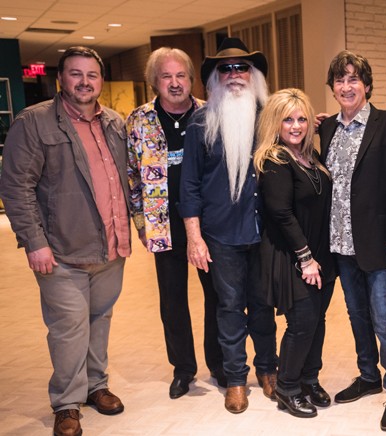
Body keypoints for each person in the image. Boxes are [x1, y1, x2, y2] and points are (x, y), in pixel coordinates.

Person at [0, 46, 129, 436]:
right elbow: (15, 185)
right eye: (76, 74)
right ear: (61, 78)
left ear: (101, 81)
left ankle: (96, 385)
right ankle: (67, 402)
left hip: (110, 245)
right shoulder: (34, 122)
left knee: (99, 321)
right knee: (69, 327)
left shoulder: (114, 123)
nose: (84, 82)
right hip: (60, 250)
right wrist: (33, 241)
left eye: (92, 74)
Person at [178, 37, 277, 414]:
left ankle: (269, 370)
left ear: (254, 74)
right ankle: (236, 379)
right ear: (215, 77)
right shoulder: (201, 122)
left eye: (242, 67)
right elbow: (188, 185)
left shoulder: (270, 116)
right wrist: (194, 237)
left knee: (264, 306)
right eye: (227, 68)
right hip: (221, 234)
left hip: (267, 232)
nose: (235, 74)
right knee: (230, 308)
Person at [318, 50, 386, 431]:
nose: (346, 86)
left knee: (384, 317)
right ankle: (368, 376)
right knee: (356, 315)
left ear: (367, 85)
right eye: (340, 80)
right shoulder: (326, 130)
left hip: (378, 241)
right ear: (333, 87)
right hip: (339, 242)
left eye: (353, 79)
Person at [127, 47, 226, 399]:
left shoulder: (210, 114)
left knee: (216, 295)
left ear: (191, 79)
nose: (174, 83)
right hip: (162, 223)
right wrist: (140, 221)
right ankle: (183, 369)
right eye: (166, 76)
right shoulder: (139, 120)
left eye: (180, 75)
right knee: (172, 300)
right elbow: (131, 177)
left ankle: (219, 363)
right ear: (155, 81)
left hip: (207, 224)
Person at [254, 88, 335, 418]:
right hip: (292, 256)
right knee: (302, 322)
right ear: (275, 122)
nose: (296, 126)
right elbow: (281, 214)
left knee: (317, 320)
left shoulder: (309, 154)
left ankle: (309, 378)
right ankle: (287, 387)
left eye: (302, 118)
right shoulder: (275, 159)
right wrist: (305, 258)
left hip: (321, 254)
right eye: (288, 119)